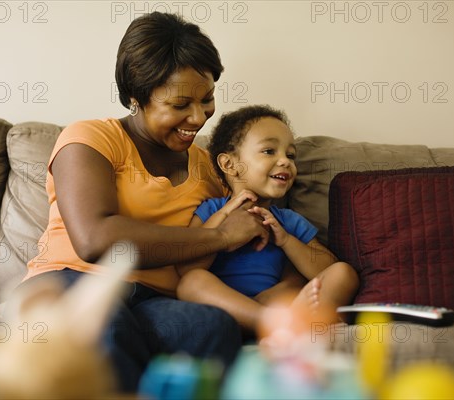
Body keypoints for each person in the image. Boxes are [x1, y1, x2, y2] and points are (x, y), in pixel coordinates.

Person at [21, 13, 271, 393]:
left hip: (154, 299)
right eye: (180, 104)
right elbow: (96, 240)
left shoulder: (208, 166)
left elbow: (246, 232)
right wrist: (220, 237)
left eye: (207, 99)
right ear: (135, 98)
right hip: (73, 280)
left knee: (210, 327)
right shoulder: (89, 139)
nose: (198, 116)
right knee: (105, 325)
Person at [175, 105, 360, 332]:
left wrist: (286, 241)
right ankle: (274, 323)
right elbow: (187, 266)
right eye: (269, 151)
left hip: (274, 301)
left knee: (343, 273)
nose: (285, 161)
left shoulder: (288, 221)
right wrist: (225, 214)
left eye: (290, 155)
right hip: (224, 309)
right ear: (229, 164)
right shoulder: (211, 209)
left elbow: (327, 267)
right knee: (192, 281)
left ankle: (283, 323)